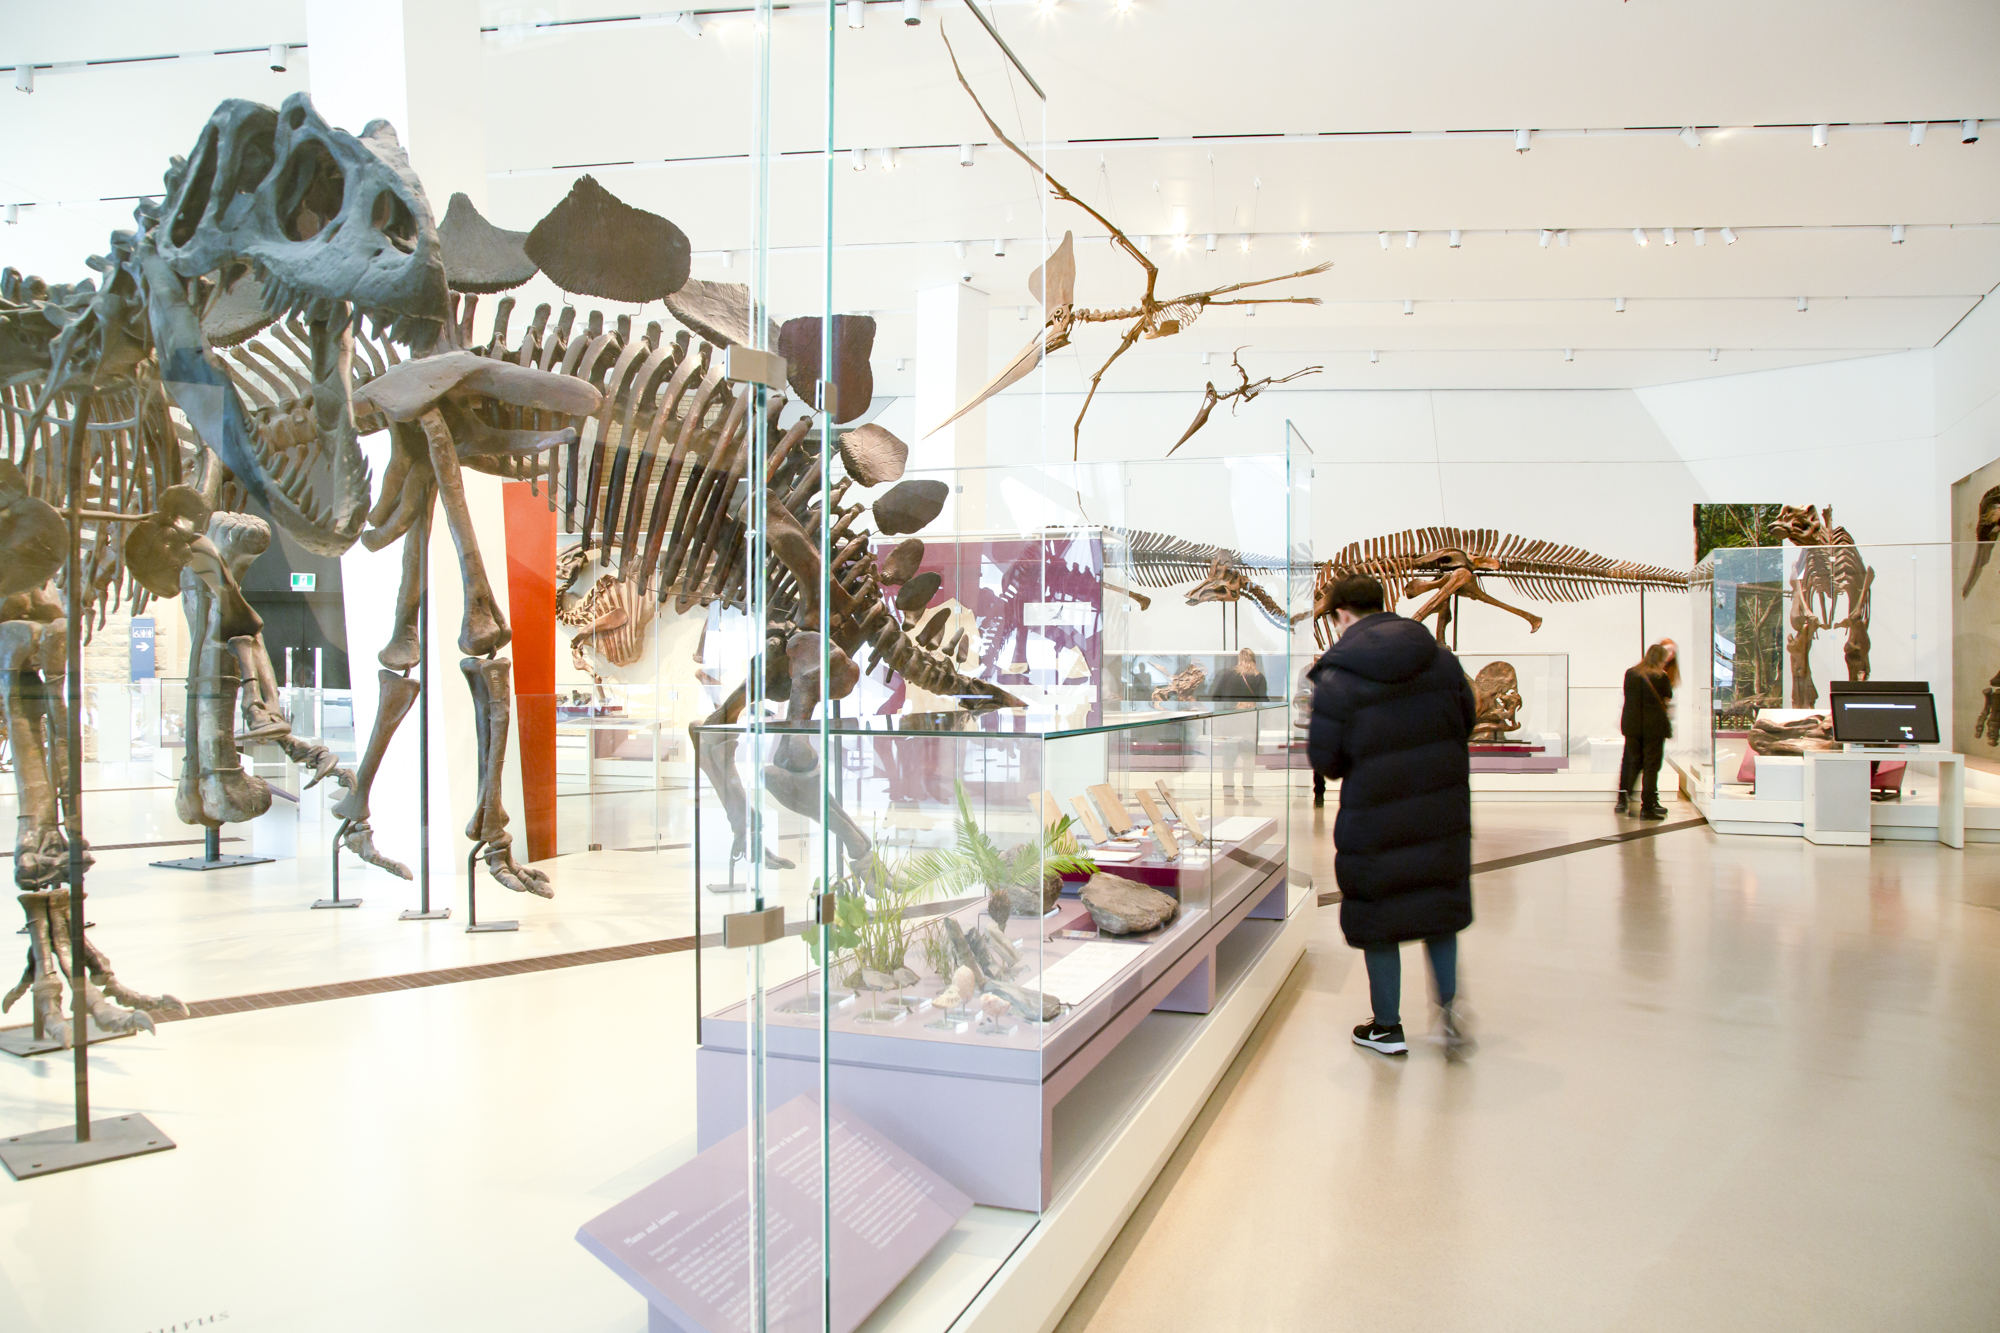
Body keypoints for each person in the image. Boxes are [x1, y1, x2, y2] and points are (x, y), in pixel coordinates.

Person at [1308, 575, 1475, 1059]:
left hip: (1375, 818)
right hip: (1439, 810)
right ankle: (1449, 1016)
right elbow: (1464, 721)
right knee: (1436, 908)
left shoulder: (1338, 675)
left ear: (1341, 614)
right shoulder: (1442, 661)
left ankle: (1387, 1027)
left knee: (1380, 913)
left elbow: (1327, 761)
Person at [1617, 638, 1678, 820]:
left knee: (1631, 762)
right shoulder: (1661, 676)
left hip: (1632, 726)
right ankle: (1648, 807)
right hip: (1654, 728)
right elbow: (1667, 697)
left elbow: (1628, 697)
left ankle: (1624, 798)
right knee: (1651, 766)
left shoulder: (1630, 673)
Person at [1209, 647, 1268, 802]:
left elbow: (1214, 697)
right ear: (1254, 660)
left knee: (1228, 760)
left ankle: (1228, 794)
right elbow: (1264, 702)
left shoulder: (1226, 675)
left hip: (1229, 722)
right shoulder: (1258, 677)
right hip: (1249, 723)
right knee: (1248, 760)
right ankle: (1248, 795)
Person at [1293, 660, 1325, 806]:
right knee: (1315, 756)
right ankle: (1318, 791)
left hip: (1325, 718)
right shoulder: (1306, 671)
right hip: (1314, 719)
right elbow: (1302, 694)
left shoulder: (1333, 667)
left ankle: (1319, 791)